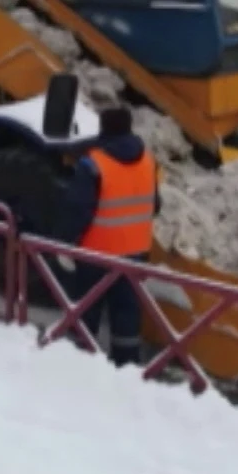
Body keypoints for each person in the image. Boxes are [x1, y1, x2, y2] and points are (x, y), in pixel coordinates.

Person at [61, 106, 160, 368]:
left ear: (103, 129)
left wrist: (63, 244)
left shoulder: (92, 164)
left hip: (95, 255)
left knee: (86, 314)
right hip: (135, 255)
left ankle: (80, 365)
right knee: (127, 316)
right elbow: (155, 205)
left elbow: (76, 211)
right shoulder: (148, 161)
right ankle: (126, 369)